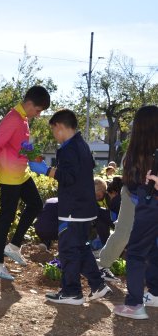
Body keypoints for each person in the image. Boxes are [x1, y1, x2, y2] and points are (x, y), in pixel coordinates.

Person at [29, 109, 111, 305]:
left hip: (73, 210)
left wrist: (46, 170)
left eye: (53, 131)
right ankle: (97, 285)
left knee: (68, 250)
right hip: (84, 208)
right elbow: (80, 171)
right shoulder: (81, 144)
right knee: (80, 248)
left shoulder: (68, 149)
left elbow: (69, 177)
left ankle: (71, 291)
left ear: (60, 127)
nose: (54, 135)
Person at [0, 85, 50, 280]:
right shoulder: (13, 119)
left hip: (21, 173)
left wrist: (35, 156)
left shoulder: (22, 118)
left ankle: (13, 246)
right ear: (30, 103)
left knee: (36, 204)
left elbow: (21, 145)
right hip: (9, 176)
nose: (38, 115)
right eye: (38, 111)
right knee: (6, 218)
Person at [113, 105, 158, 319]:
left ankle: (134, 304)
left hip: (149, 205)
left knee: (137, 252)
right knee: (153, 250)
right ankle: (156, 293)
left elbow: (130, 185)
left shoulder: (137, 153)